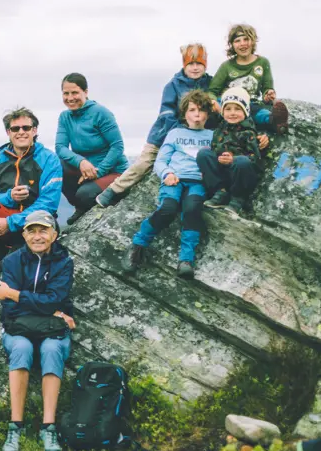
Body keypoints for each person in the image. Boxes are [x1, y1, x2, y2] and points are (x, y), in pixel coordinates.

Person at [95, 44, 212, 208]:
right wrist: (181, 131)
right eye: (190, 64)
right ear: (184, 64)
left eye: (199, 64)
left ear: (205, 65)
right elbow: (167, 113)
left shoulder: (210, 83)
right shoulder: (173, 85)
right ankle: (112, 191)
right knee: (143, 163)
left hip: (197, 134)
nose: (195, 68)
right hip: (164, 134)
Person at [0, 210, 75, 451]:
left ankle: (48, 428)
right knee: (22, 347)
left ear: (54, 234)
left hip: (50, 331)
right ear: (24, 235)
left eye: (43, 230)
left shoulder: (64, 262)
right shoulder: (11, 262)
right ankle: (15, 427)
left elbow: (54, 299)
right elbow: (10, 307)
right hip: (19, 327)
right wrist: (53, 312)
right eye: (31, 231)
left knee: (52, 348)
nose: (37, 236)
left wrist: (15, 294)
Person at [0, 107, 62, 297]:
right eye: (15, 128)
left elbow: (49, 203)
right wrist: (9, 197)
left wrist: (11, 223)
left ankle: (11, 261)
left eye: (26, 128)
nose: (21, 132)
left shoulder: (49, 159)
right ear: (8, 133)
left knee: (10, 265)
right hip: (3, 220)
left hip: (34, 222)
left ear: (34, 131)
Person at [123, 90, 215, 278]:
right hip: (174, 179)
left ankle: (186, 260)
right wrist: (166, 174)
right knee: (168, 208)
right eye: (192, 110)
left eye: (201, 110)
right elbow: (160, 160)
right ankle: (137, 246)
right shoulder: (175, 134)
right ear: (185, 113)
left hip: (197, 182)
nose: (197, 114)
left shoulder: (212, 136)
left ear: (208, 114)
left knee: (192, 210)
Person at [55, 73, 129, 224]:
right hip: (86, 169)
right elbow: (60, 147)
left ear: (86, 92)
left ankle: (88, 205)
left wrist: (98, 172)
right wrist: (81, 162)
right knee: (57, 167)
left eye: (75, 92)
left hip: (113, 170)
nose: (70, 98)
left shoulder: (101, 113)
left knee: (84, 195)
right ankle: (81, 208)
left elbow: (117, 146)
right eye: (66, 93)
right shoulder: (65, 117)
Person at [197, 87, 270, 216]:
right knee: (204, 154)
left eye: (237, 109)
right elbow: (215, 147)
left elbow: (254, 160)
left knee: (242, 161)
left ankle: (238, 199)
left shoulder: (249, 131)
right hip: (223, 172)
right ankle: (221, 192)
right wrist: (221, 155)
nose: (232, 113)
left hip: (242, 176)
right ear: (222, 111)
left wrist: (233, 159)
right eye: (228, 109)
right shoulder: (220, 129)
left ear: (246, 111)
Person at [208, 24, 289, 134]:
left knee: (260, 111)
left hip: (251, 103)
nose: (242, 44)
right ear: (232, 45)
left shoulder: (263, 62)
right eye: (237, 41)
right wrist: (213, 101)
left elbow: (267, 88)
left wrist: (268, 94)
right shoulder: (226, 66)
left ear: (253, 41)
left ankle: (274, 121)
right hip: (230, 103)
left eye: (246, 39)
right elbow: (212, 91)